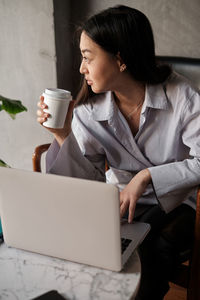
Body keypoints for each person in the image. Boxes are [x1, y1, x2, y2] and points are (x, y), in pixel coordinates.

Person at [37, 5, 200, 299]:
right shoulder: (88, 109)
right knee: (85, 244)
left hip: (178, 202)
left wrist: (148, 176)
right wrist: (63, 135)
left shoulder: (182, 96)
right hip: (120, 201)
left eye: (87, 57)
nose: (80, 68)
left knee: (151, 250)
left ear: (120, 59)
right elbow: (86, 181)